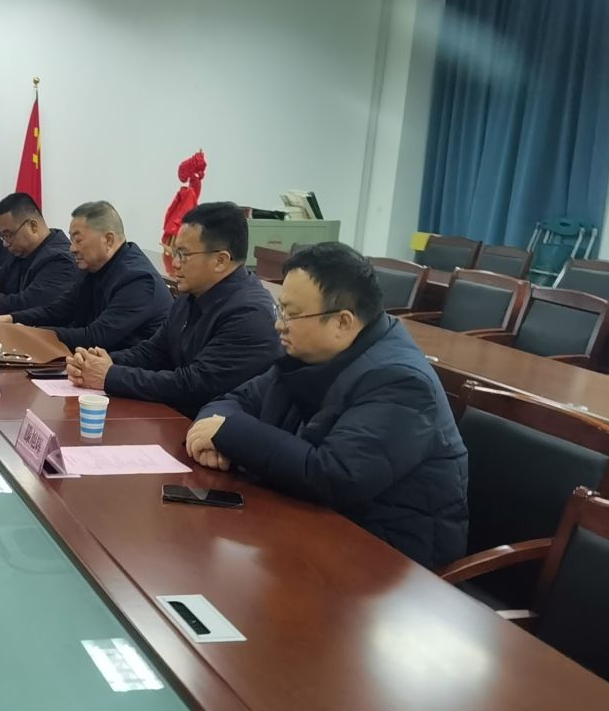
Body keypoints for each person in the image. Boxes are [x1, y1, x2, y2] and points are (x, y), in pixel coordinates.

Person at [187, 242, 468, 568]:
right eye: (280, 310)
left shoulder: (400, 382)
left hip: (390, 558)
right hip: (321, 523)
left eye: (291, 314)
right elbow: (233, 401)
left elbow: (333, 475)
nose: (279, 324)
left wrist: (227, 433)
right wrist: (215, 434)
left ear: (342, 322)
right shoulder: (311, 354)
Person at [66, 202, 281, 418]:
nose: (175, 263)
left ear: (220, 260)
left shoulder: (250, 315)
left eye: (183, 254)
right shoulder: (191, 295)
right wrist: (98, 362)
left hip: (212, 427)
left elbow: (194, 385)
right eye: (174, 252)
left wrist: (110, 375)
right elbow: (154, 351)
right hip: (176, 417)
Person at [0, 200, 170, 351]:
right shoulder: (91, 267)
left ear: (108, 239)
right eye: (71, 239)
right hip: (93, 362)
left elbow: (96, 336)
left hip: (128, 370)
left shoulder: (138, 280)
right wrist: (10, 319)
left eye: (78, 240)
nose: (72, 248)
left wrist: (30, 333)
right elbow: (60, 310)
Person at [0, 192, 80, 315]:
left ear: (33, 226)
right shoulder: (22, 250)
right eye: (2, 236)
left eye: (9, 235)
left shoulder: (61, 261)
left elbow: (27, 305)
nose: (5, 243)